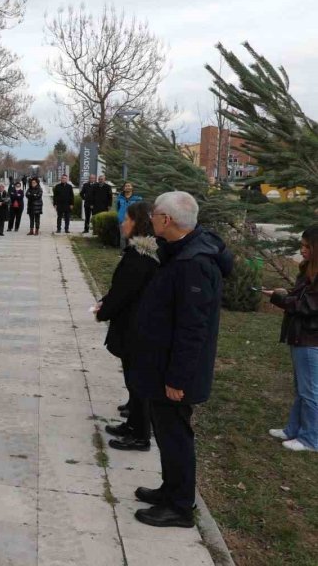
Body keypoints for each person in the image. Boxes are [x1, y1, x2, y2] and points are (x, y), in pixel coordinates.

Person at [130, 191, 232, 528]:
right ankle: (170, 489)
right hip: (164, 365)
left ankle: (179, 506)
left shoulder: (194, 263)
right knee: (167, 432)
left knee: (176, 436)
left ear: (166, 220)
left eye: (156, 214)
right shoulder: (183, 251)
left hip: (175, 373)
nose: (152, 218)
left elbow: (192, 329)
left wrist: (177, 379)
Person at [95, 201, 159, 451]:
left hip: (137, 325)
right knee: (132, 377)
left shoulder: (141, 256)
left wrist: (105, 309)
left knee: (138, 379)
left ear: (137, 223)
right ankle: (133, 423)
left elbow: (125, 291)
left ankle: (140, 434)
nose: (122, 222)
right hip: (134, 322)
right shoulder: (139, 252)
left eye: (127, 219)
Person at [266, 226, 318, 452]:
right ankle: (293, 429)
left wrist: (279, 299)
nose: (302, 250)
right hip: (300, 337)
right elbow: (300, 296)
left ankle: (310, 439)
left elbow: (307, 307)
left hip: (311, 339)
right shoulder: (308, 271)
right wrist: (285, 292)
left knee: (310, 392)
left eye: (307, 246)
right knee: (301, 388)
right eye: (302, 245)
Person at [116, 182, 143, 248]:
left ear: (132, 188)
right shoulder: (120, 197)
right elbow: (117, 208)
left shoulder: (137, 198)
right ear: (124, 188)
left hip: (133, 220)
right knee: (122, 237)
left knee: (132, 236)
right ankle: (122, 252)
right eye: (126, 186)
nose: (127, 187)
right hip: (122, 220)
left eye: (129, 186)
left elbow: (140, 209)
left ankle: (131, 253)